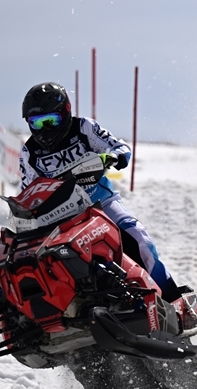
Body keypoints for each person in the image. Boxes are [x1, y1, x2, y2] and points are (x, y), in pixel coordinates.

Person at [18, 82, 178, 301]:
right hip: (61, 218)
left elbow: (118, 147)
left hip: (101, 204)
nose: (45, 129)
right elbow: (28, 192)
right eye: (37, 123)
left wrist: (114, 156)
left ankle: (172, 298)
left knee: (139, 239)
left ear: (65, 113)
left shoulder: (84, 128)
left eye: (51, 120)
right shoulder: (29, 153)